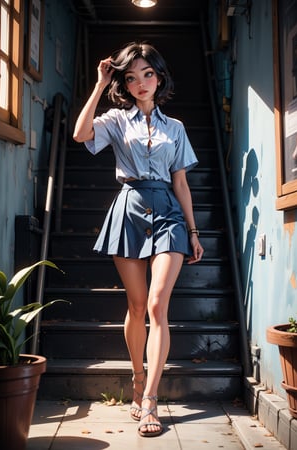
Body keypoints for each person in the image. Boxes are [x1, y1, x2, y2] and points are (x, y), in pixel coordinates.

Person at [73, 42, 204, 438]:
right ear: (124, 84)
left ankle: (150, 399)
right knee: (135, 304)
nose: (140, 83)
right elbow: (81, 134)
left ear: (159, 77)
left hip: (167, 210)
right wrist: (99, 85)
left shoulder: (176, 127)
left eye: (147, 74)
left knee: (156, 303)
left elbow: (181, 181)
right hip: (129, 207)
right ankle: (136, 376)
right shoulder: (115, 118)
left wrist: (193, 230)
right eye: (131, 77)